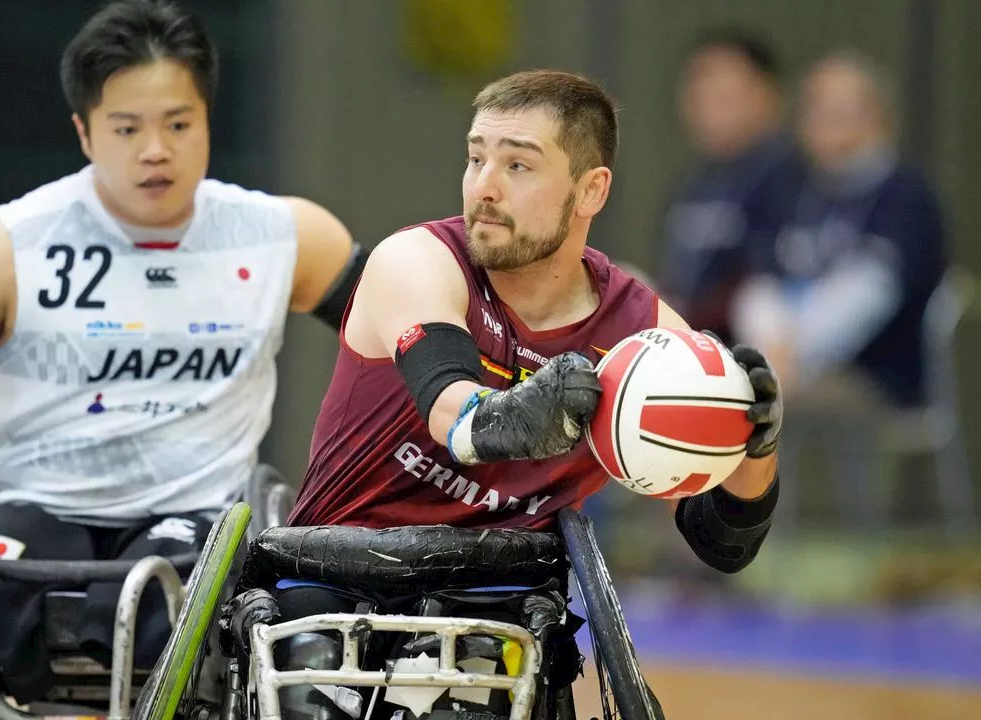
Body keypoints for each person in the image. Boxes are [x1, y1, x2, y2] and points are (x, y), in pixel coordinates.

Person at [0, 0, 365, 704]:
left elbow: (401, 343)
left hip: (195, 513)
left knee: (167, 607)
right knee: (4, 591)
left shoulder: (287, 237)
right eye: (127, 127)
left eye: (179, 123)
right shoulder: (7, 245)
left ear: (207, 118)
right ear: (84, 132)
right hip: (41, 504)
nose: (156, 150)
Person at [281, 69, 785, 715]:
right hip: (333, 581)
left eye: (518, 165)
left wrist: (755, 447)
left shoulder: (644, 337)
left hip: (498, 608)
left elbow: (721, 542)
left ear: (590, 190)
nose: (484, 186)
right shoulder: (417, 260)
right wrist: (530, 407)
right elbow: (453, 415)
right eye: (475, 156)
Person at [733, 50, 947, 409]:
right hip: (785, 362)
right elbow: (759, 283)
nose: (824, 122)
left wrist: (794, 354)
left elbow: (872, 291)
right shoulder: (791, 185)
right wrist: (770, 350)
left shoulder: (904, 196)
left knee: (754, 400)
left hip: (877, 374)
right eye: (815, 110)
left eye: (840, 112)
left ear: (879, 118)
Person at [656, 29, 802, 344]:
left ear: (768, 94)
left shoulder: (796, 177)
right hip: (695, 345)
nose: (711, 109)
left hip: (769, 353)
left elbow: (769, 292)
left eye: (725, 95)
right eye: (700, 96)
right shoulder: (695, 182)